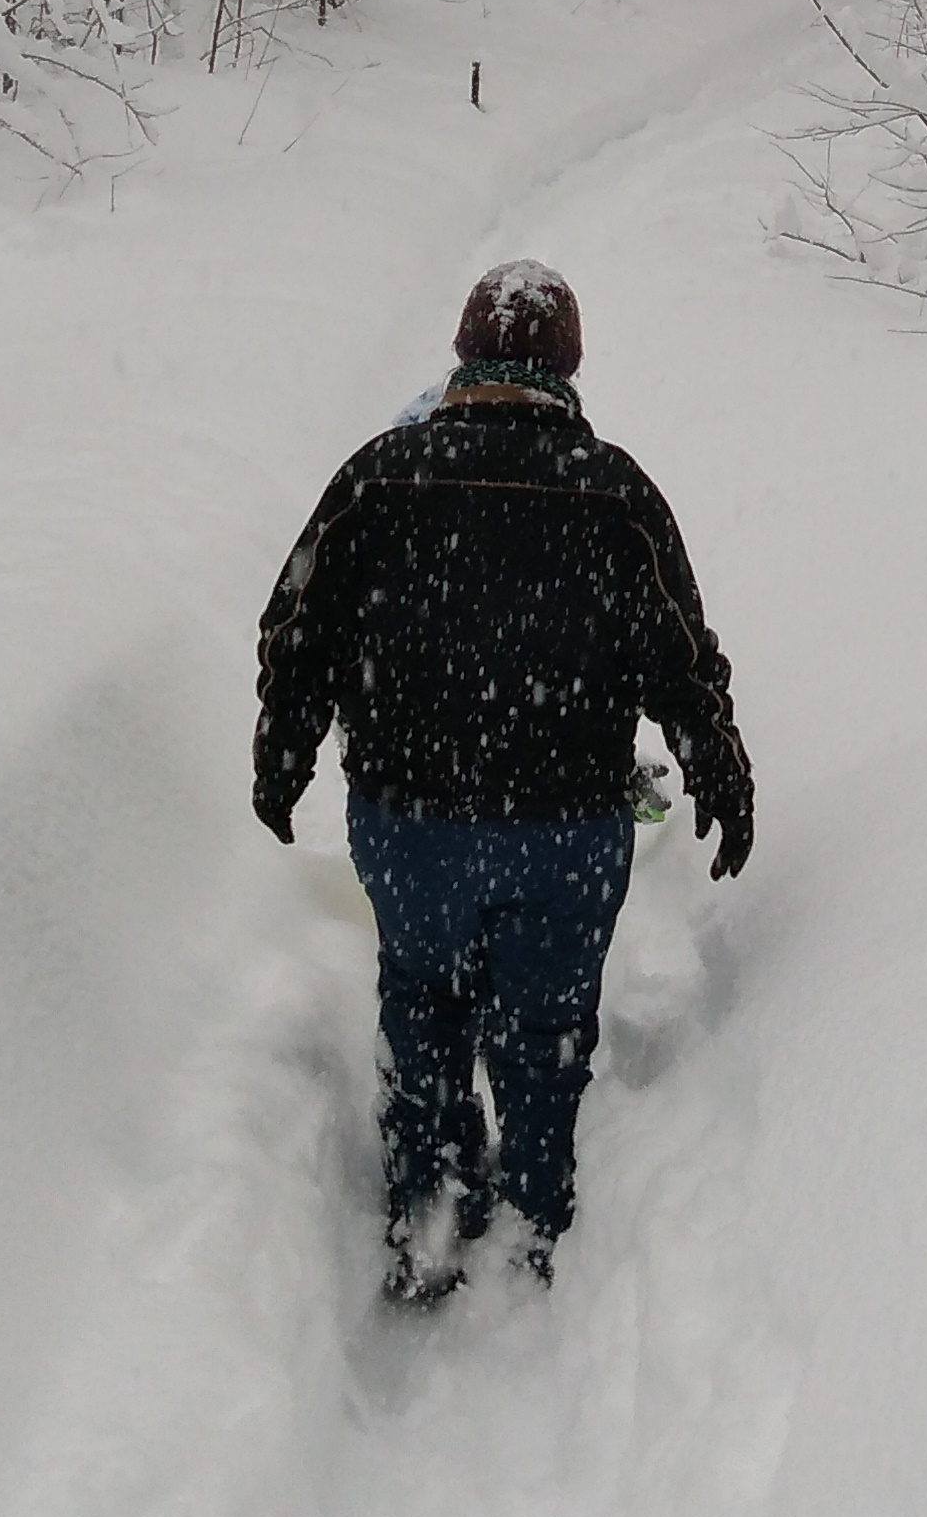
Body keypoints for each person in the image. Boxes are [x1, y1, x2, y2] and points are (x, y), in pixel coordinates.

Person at [253, 259, 753, 1303]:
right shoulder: (614, 492)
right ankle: (534, 1207)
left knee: (425, 998)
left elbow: (296, 627)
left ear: (464, 353)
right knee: (543, 1019)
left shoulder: (378, 476)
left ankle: (430, 1201)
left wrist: (285, 743)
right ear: (568, 361)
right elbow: (681, 657)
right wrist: (717, 767)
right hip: (565, 823)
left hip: (409, 820)